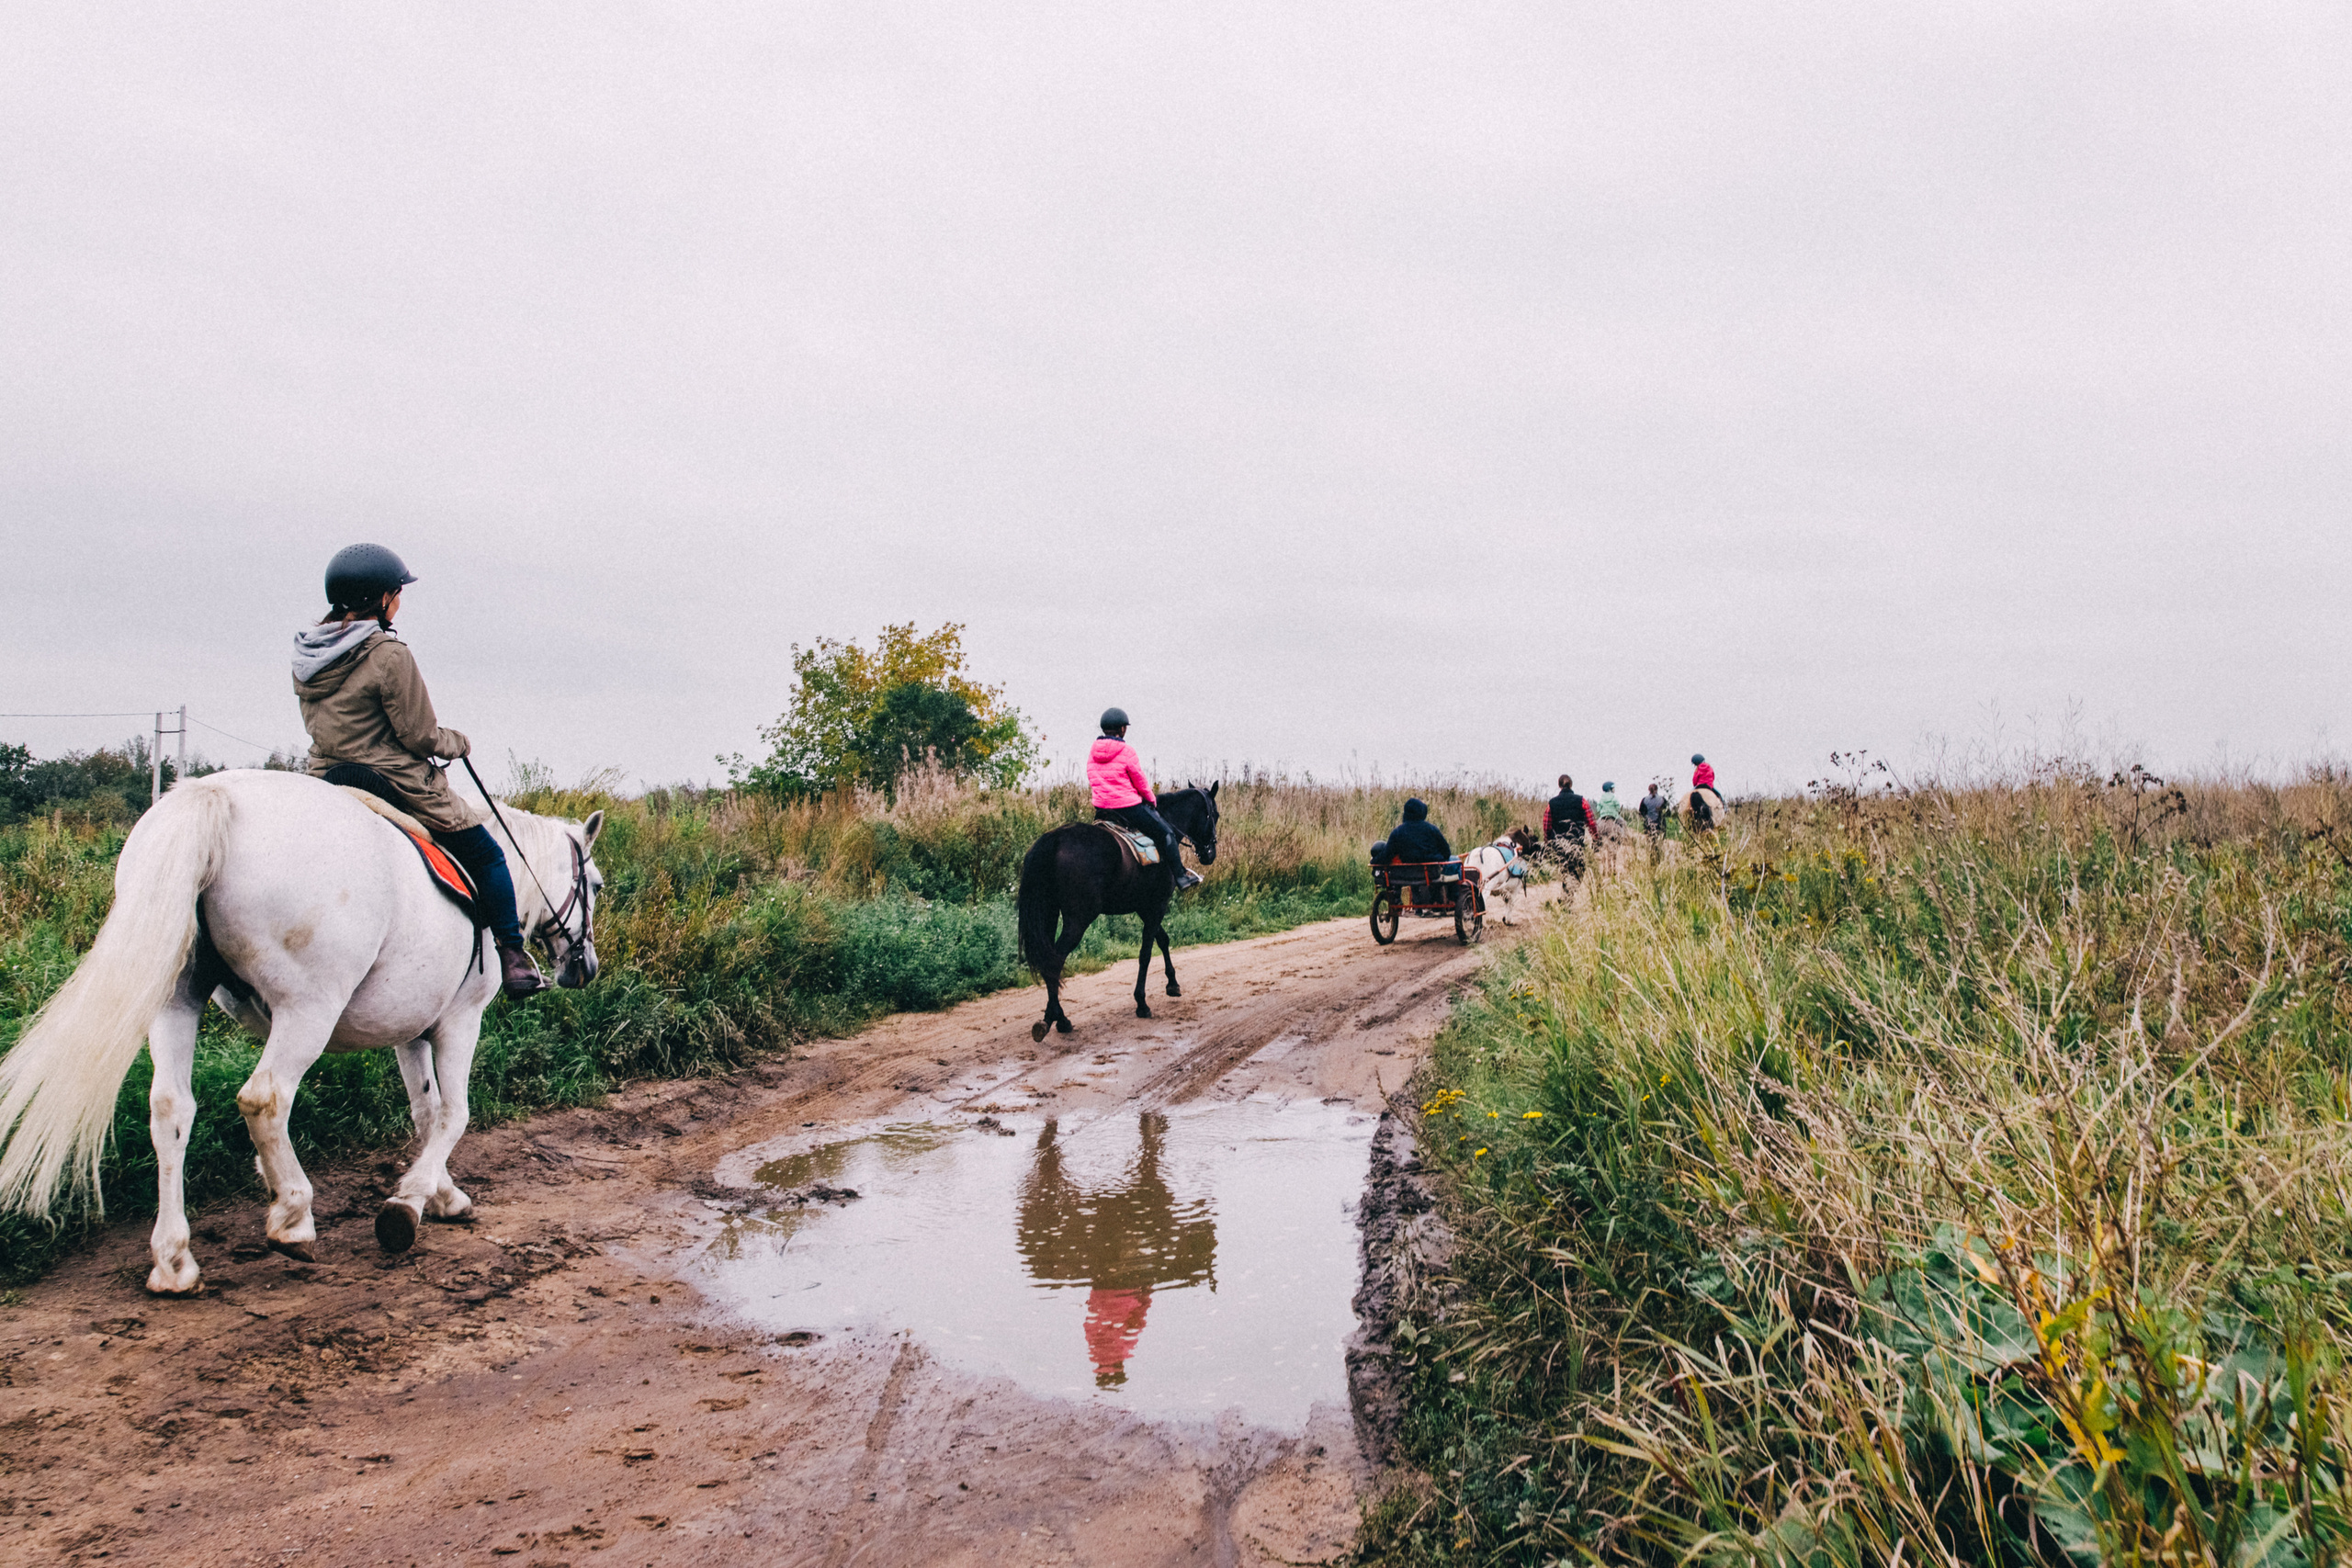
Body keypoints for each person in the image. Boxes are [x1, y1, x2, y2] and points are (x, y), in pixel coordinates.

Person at [293, 543, 545, 997]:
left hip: (327, 777)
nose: (400, 599)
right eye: (397, 592)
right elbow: (420, 737)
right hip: (388, 778)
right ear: (382, 598)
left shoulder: (308, 655)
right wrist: (458, 742)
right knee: (487, 854)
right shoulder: (389, 654)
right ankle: (513, 956)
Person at [1088, 708, 1201, 891]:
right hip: (1128, 808)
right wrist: (1151, 800)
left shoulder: (1093, 752)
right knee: (1167, 833)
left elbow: (1093, 778)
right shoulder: (1126, 751)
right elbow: (1139, 780)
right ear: (1122, 729)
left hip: (1102, 810)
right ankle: (1181, 877)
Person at [1385, 797, 1453, 863]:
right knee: (1455, 859)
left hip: (1407, 869)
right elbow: (1446, 853)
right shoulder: (1432, 829)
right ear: (1422, 812)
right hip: (1432, 868)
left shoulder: (1397, 832)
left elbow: (1386, 856)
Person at [1544, 774, 1598, 848]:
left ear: (1559, 786)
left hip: (1557, 844)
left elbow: (1546, 826)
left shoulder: (1552, 803)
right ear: (1571, 785)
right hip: (1577, 844)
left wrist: (1547, 840)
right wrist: (1595, 837)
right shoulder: (1582, 801)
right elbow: (1591, 823)